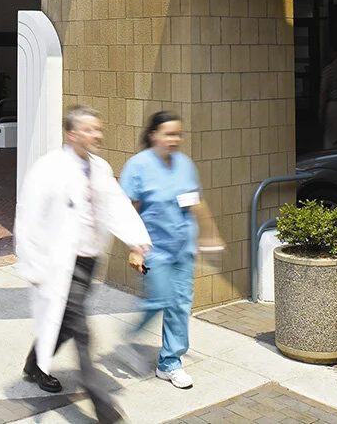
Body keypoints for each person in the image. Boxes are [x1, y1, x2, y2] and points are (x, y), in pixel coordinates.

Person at [14, 105, 151, 424]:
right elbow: (28, 217)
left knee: (64, 322)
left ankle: (34, 365)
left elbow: (116, 205)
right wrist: (32, 264)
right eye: (89, 129)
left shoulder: (100, 168)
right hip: (61, 263)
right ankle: (104, 409)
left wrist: (135, 240)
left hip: (89, 262)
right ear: (71, 134)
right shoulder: (49, 168)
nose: (97, 135)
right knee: (82, 332)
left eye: (98, 129)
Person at [117, 111, 215, 389]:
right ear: (153, 135)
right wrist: (134, 248)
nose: (174, 139)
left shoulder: (184, 164)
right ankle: (129, 340)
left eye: (177, 134)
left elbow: (195, 201)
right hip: (153, 249)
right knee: (160, 299)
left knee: (180, 305)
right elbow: (127, 209)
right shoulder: (138, 166)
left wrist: (210, 233)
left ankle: (170, 363)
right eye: (168, 134)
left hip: (183, 248)